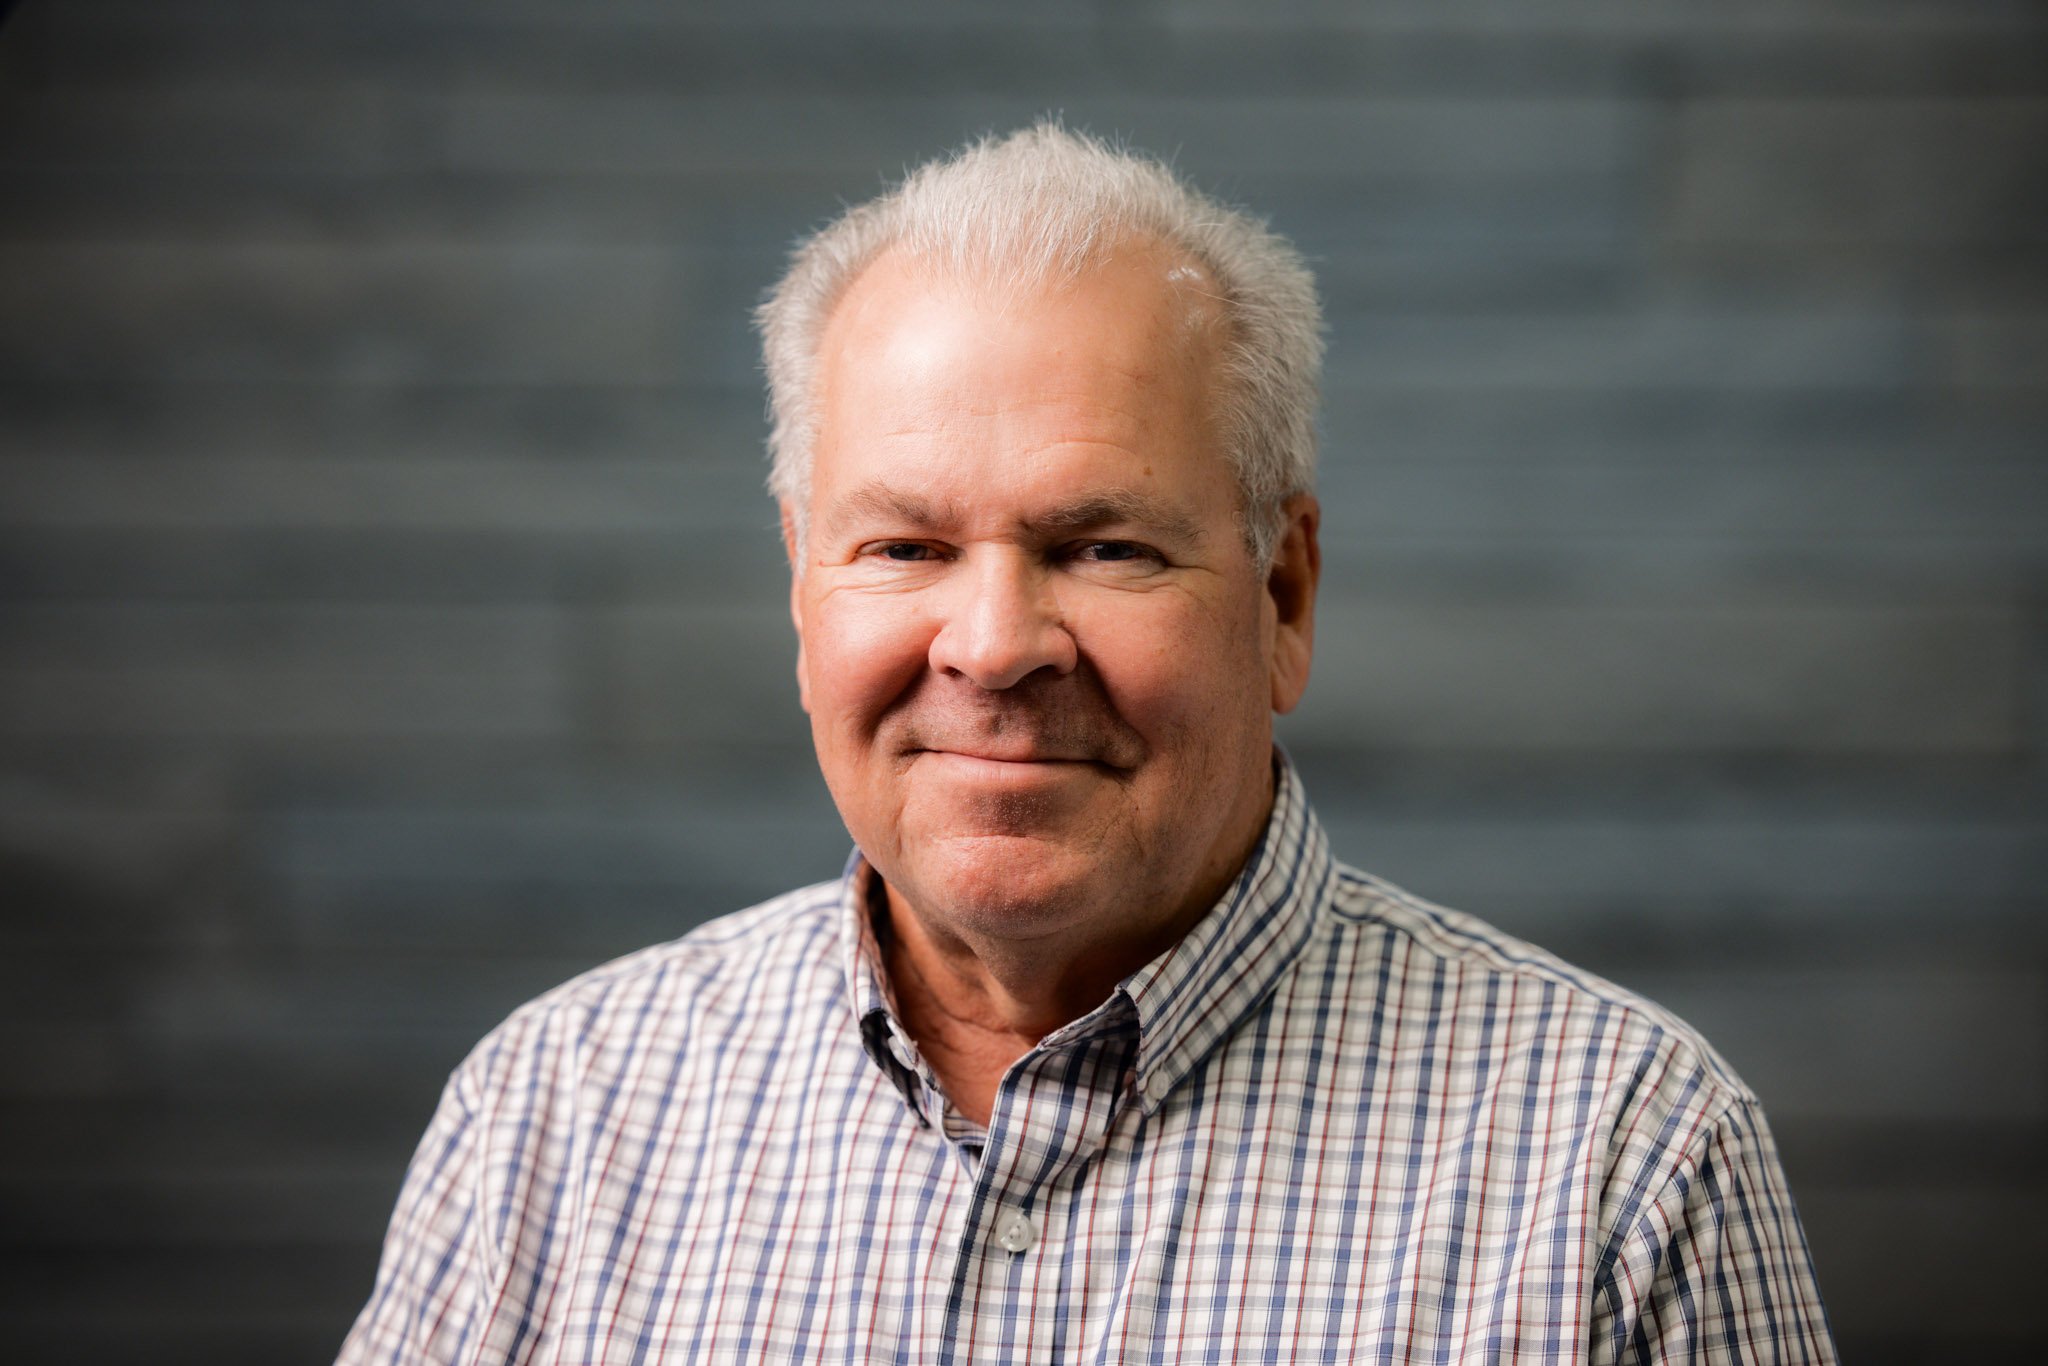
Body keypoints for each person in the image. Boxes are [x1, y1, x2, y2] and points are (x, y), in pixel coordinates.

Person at [340, 125, 1834, 1365]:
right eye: (906, 545)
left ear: (1284, 594)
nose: (993, 645)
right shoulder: (554, 1116)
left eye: (1107, 546)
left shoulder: (1622, 1161)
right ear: (803, 593)